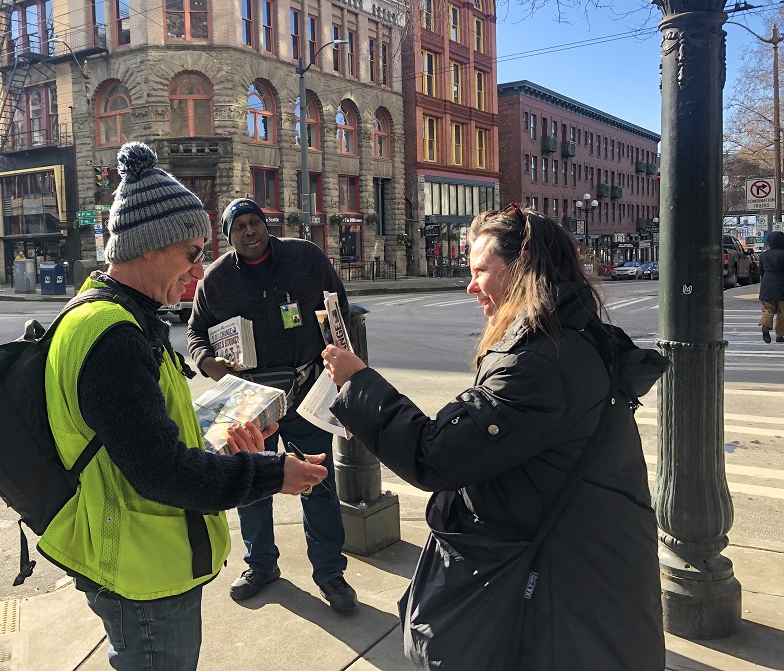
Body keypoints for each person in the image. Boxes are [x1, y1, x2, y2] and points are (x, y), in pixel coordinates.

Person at [322, 205, 666, 670]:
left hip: (557, 582)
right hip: (585, 563)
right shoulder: (573, 334)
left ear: (522, 270)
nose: (471, 286)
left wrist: (359, 383)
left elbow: (434, 455)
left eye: (481, 270)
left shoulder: (538, 361)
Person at [37, 143, 328, 671]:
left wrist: (215, 440)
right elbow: (161, 473)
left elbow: (140, 437)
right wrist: (270, 473)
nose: (198, 271)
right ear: (151, 246)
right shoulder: (113, 336)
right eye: (192, 252)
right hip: (141, 571)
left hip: (146, 559)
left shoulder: (116, 316)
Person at [187, 198, 358, 612]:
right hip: (250, 403)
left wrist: (337, 357)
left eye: (255, 222)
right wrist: (211, 364)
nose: (250, 231)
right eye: (240, 227)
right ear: (228, 237)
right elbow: (195, 334)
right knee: (252, 485)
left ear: (266, 225)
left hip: (302, 394)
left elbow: (339, 308)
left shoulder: (304, 257)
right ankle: (261, 565)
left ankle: (331, 574)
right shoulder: (216, 279)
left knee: (316, 481)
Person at [758, 230, 784, 343]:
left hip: (767, 285)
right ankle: (780, 335)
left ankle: (765, 325)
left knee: (768, 309)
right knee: (782, 312)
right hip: (782, 285)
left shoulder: (764, 255)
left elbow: (761, 271)